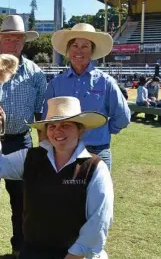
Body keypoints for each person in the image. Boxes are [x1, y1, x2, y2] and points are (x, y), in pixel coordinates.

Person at [0, 96, 114, 259]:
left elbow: (99, 221)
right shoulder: (31, 157)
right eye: (52, 126)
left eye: (66, 125)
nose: (58, 131)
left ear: (80, 129)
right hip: (32, 252)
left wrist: (74, 255)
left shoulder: (95, 168)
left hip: (77, 255)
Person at [0, 14, 47, 259]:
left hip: (21, 140)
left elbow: (40, 113)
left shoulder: (35, 73)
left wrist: (43, 147)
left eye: (17, 39)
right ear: (0, 40)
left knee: (22, 201)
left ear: (23, 42)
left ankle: (20, 246)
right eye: (8, 38)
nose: (12, 43)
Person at [46, 23, 131, 170]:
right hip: (63, 152)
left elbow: (123, 116)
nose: (79, 51)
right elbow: (47, 119)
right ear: (68, 50)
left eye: (85, 46)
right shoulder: (55, 84)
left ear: (92, 51)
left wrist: (104, 131)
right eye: (75, 45)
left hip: (97, 150)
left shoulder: (106, 82)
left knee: (97, 192)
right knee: (67, 193)